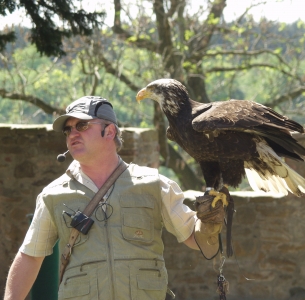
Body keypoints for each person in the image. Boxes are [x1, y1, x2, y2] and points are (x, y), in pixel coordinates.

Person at [4, 96, 224, 300]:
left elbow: (192, 236)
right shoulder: (53, 195)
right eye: (67, 130)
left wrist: (209, 225)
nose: (72, 134)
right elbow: (30, 257)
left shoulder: (153, 185)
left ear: (109, 131)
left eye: (82, 125)